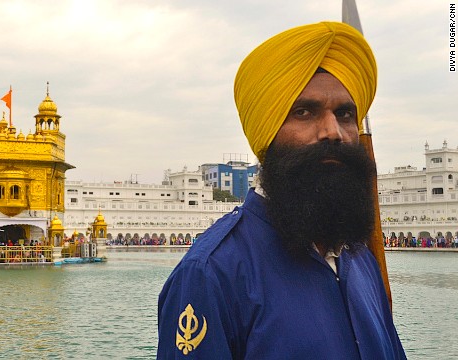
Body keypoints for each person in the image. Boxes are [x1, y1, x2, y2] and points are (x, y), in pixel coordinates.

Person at [157, 22, 406, 359]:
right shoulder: (213, 273)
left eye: (345, 114)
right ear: (267, 132)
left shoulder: (360, 258)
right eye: (304, 112)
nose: (333, 132)